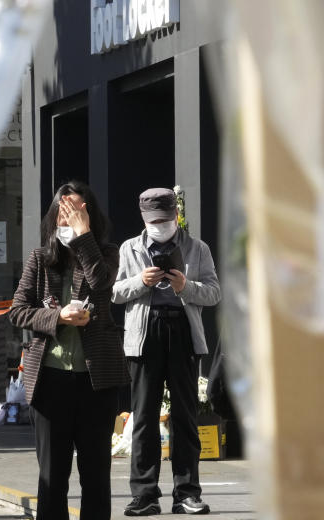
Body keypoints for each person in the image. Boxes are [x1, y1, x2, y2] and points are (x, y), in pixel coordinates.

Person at [8, 181, 130, 520]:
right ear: (53, 216)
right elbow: (17, 312)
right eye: (65, 211)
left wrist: (83, 236)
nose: (71, 216)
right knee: (52, 477)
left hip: (96, 382)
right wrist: (57, 316)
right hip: (49, 381)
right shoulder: (40, 259)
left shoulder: (106, 253)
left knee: (95, 476)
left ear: (90, 215)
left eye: (79, 210)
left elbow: (102, 284)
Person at [112, 188, 221, 516]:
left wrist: (184, 286)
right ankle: (144, 494)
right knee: (143, 416)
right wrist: (140, 282)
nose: (160, 225)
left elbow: (214, 293)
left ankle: (187, 492)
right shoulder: (130, 247)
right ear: (144, 219)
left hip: (184, 333)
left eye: (165, 219)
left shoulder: (197, 248)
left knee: (185, 416)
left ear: (176, 215)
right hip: (144, 336)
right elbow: (115, 293)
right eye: (153, 221)